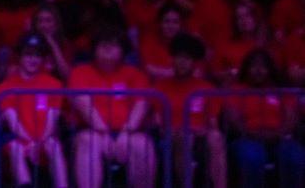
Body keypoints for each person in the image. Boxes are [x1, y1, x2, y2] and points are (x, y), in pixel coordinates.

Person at [68, 27, 156, 188]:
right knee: (89, 141)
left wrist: (125, 132)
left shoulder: (135, 74)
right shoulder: (80, 72)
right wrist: (103, 132)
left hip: (128, 131)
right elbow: (84, 104)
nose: (108, 47)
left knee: (142, 144)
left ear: (123, 50)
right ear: (94, 49)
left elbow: (141, 105)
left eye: (114, 44)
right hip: (91, 130)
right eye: (102, 44)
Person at [224, 49, 305, 188]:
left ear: (269, 69)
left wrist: (276, 135)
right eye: (254, 66)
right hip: (246, 138)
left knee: (295, 157)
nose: (258, 70)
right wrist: (253, 135)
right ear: (247, 68)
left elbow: (291, 118)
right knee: (252, 158)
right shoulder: (236, 89)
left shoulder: (281, 90)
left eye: (262, 66)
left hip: (280, 138)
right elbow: (233, 119)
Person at [0, 32, 68, 188]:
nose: (33, 60)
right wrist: (30, 143)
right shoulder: (5, 87)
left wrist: (39, 143)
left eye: (37, 55)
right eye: (28, 55)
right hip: (20, 142)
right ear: (19, 57)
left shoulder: (54, 84)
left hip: (44, 139)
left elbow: (52, 120)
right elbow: (13, 121)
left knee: (53, 145)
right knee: (15, 147)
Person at [155, 34, 225, 188]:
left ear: (194, 62)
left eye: (187, 58)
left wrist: (202, 130)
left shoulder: (206, 88)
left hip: (200, 134)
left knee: (216, 137)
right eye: (179, 57)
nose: (182, 62)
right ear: (172, 59)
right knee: (183, 137)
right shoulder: (160, 86)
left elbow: (213, 123)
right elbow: (157, 120)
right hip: (171, 135)